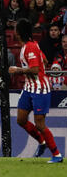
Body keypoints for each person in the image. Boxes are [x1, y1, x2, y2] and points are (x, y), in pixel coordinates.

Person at [9, 18, 63, 163]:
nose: (14, 31)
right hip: (28, 87)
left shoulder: (30, 47)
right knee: (21, 119)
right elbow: (44, 61)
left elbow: (35, 69)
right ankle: (42, 142)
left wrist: (17, 70)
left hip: (40, 88)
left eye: (16, 29)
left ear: (19, 32)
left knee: (40, 124)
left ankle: (57, 155)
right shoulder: (30, 46)